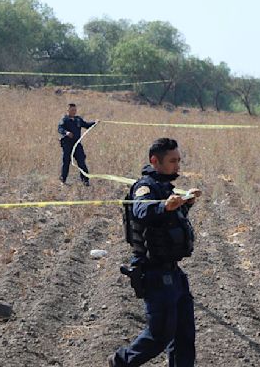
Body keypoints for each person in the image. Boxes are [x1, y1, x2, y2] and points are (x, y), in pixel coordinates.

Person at [108, 138, 202, 367]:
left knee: (184, 336)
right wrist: (164, 206)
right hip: (156, 274)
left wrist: (185, 202)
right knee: (159, 336)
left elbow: (166, 223)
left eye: (179, 160)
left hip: (175, 274)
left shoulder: (165, 187)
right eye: (172, 161)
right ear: (155, 161)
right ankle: (120, 362)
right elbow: (141, 211)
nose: (177, 165)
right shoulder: (145, 187)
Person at [57, 103, 96, 186]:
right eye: (72, 110)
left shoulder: (78, 119)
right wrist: (66, 132)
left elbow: (86, 125)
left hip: (77, 144)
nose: (74, 112)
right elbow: (60, 128)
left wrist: (95, 123)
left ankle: (85, 181)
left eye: (75, 110)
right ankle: (63, 180)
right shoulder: (64, 120)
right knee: (66, 162)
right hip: (67, 144)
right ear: (68, 110)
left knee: (81, 162)